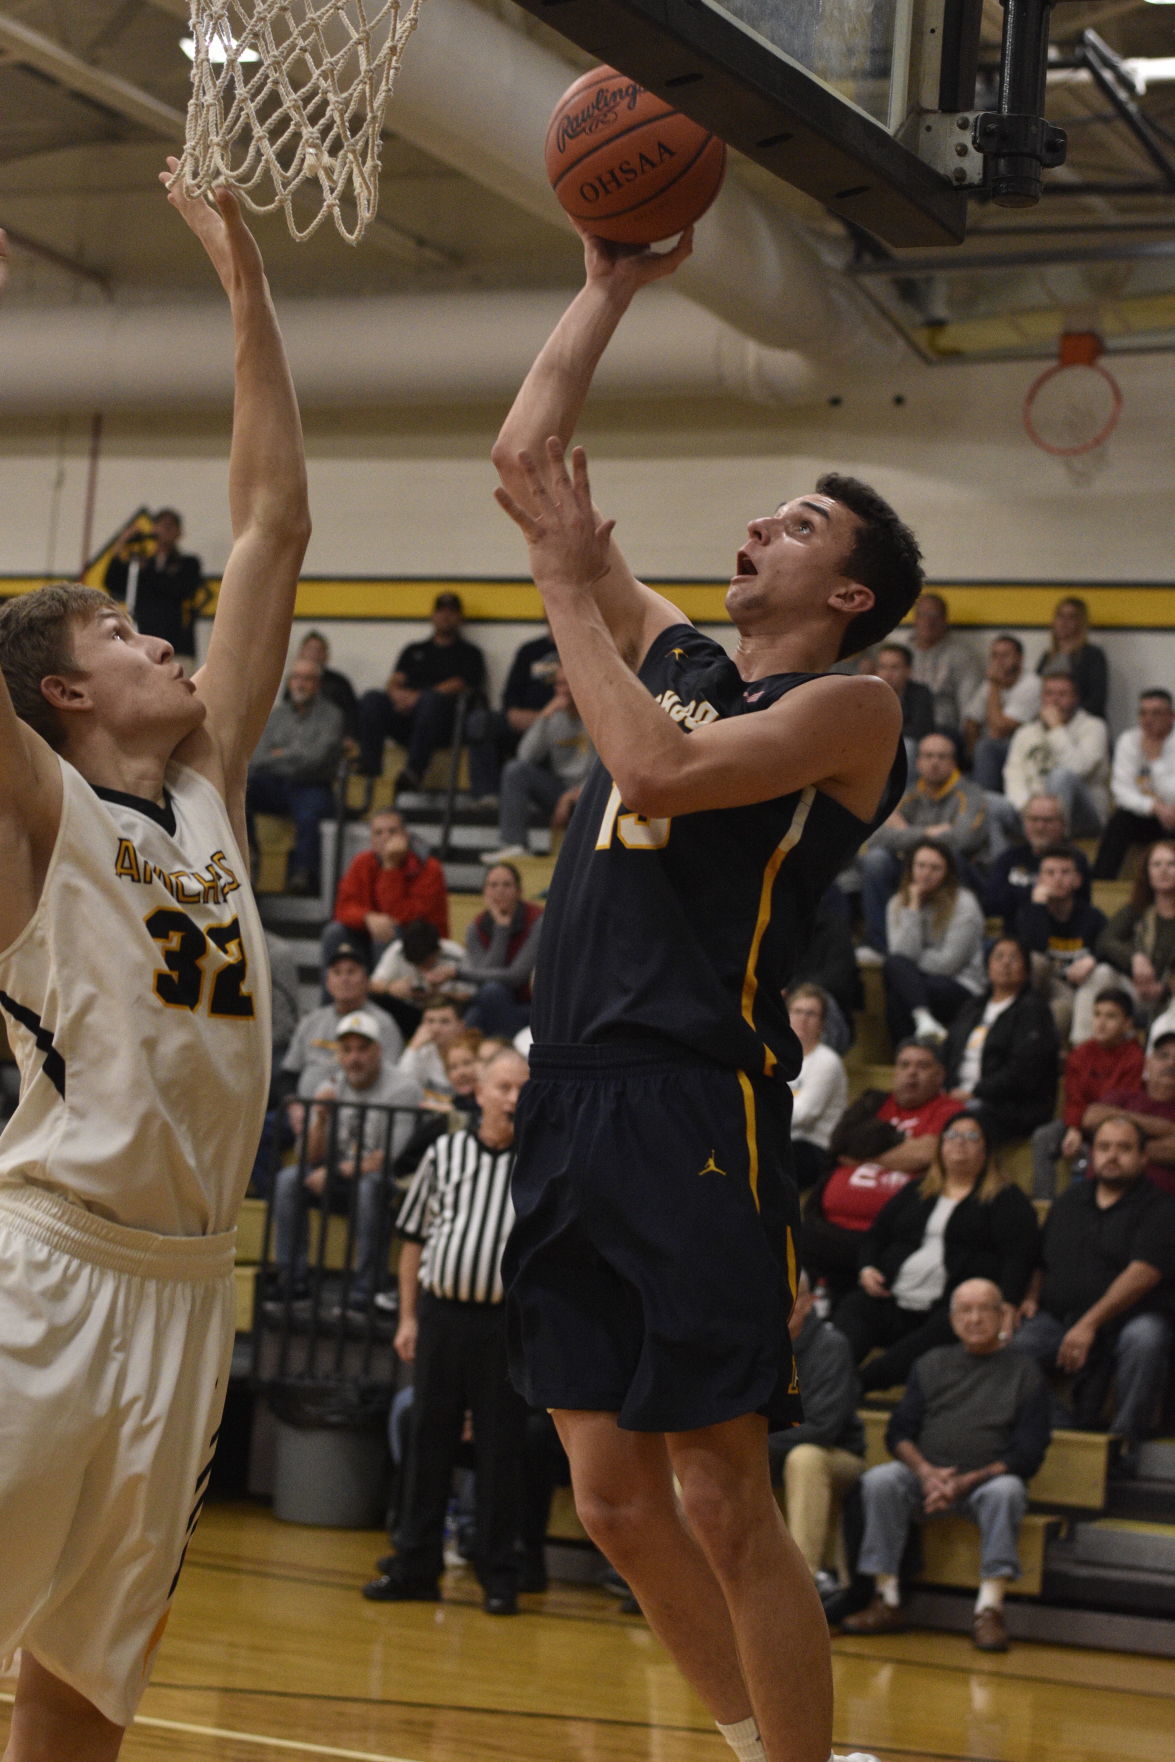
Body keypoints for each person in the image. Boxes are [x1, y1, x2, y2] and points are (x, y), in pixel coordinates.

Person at [491, 222, 922, 1762]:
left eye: (796, 522)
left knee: (718, 1490)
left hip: (691, 1100)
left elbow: (653, 772)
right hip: (565, 1093)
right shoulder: (678, 655)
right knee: (611, 1498)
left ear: (849, 591)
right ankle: (754, 1748)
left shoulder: (853, 706)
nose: (756, 525)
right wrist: (605, 286)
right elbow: (525, 458)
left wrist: (565, 582)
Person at [0, 173, 310, 1758]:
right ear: (61, 692)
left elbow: (270, 524)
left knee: (86, 1680)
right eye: (125, 634)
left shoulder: (206, 790)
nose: (165, 638)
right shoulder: (33, 808)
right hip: (46, 1273)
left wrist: (243, 274)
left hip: (190, 1294)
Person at [363, 1048, 532, 1615]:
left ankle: (499, 1575)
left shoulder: (539, 1165)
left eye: (522, 1089)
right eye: (503, 1087)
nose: (513, 1098)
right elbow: (413, 1240)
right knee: (426, 1442)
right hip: (442, 1317)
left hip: (504, 1328)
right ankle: (415, 1566)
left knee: (501, 1452)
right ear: (478, 1092)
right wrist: (408, 1317)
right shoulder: (445, 1152)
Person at [840, 1278, 1050, 1652]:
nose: (974, 1319)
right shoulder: (930, 1363)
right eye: (965, 1311)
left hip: (985, 1483)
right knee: (880, 1480)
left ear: (1003, 1315)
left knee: (1008, 1491)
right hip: (927, 1478)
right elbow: (898, 1432)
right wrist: (926, 1473)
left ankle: (989, 1610)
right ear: (952, 1320)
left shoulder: (1026, 1372)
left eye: (984, 1309)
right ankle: (886, 1598)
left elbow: (1028, 1452)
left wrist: (966, 1481)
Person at [1011, 1116, 1175, 1472]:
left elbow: (1142, 1274)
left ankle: (1123, 1446)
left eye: (1124, 1148)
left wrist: (1089, 1324)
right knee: (1013, 1350)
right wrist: (1031, 1296)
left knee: (1146, 1339)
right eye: (1104, 1147)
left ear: (1143, 1157)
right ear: (1092, 1154)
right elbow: (1040, 1259)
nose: (1112, 1156)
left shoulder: (1162, 1208)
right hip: (1060, 1317)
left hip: (1131, 1317)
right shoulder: (1070, 1200)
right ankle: (1066, 1427)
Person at [832, 1117, 1039, 1394]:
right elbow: (876, 1235)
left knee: (939, 1334)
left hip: (948, 1309)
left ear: (987, 1149)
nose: (960, 1143)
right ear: (941, 1146)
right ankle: (826, 1382)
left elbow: (1019, 1257)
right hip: (890, 1296)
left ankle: (851, 1390)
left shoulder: (1007, 1199)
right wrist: (867, 1267)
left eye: (971, 1137)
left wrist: (1009, 1303)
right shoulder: (917, 1189)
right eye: (952, 1135)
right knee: (853, 1311)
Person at [269, 1011, 423, 1309]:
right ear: (338, 1054)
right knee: (288, 1180)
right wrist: (320, 1119)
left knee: (370, 1186)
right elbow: (307, 1156)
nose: (354, 1058)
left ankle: (367, 1290)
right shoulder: (330, 1086)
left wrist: (333, 1171)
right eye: (347, 1050)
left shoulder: (403, 1088)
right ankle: (293, 1281)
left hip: (388, 1186)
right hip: (340, 1180)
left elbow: (389, 1158)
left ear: (379, 1051)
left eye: (363, 1049)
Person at [800, 1040, 964, 1304]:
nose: (912, 1073)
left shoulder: (949, 1111)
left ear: (940, 1075)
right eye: (904, 1065)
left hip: (887, 1235)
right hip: (828, 1225)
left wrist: (864, 1157)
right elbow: (840, 1144)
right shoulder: (874, 1103)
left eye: (923, 1066)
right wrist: (904, 1153)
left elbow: (929, 1152)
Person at [768, 1273, 865, 1594]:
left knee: (805, 1457)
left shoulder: (832, 1346)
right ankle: (682, 1574)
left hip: (837, 1455)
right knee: (699, 1459)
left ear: (809, 1302)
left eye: (790, 1298)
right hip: (770, 1452)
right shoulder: (755, 1346)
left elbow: (821, 1429)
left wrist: (752, 1443)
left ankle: (802, 1580)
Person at [856, 732, 988, 955]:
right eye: (928, 756)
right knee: (875, 860)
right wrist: (927, 832)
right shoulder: (908, 795)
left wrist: (905, 831)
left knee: (950, 857)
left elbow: (964, 839)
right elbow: (876, 837)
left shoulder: (971, 794)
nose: (934, 762)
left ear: (953, 763)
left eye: (941, 756)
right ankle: (880, 944)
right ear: (918, 763)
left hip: (959, 868)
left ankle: (946, 943)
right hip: (914, 866)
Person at [356, 590, 486, 794]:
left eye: (451, 612)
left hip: (444, 724)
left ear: (460, 618)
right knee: (372, 698)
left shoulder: (470, 653)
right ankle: (370, 764)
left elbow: (461, 683)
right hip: (408, 718)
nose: (445, 616)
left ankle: (413, 772)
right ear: (432, 616)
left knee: (431, 700)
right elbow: (396, 679)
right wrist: (395, 694)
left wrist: (419, 698)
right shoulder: (414, 650)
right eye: (441, 611)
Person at [943, 936, 1060, 1145]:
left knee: (958, 1123)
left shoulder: (1033, 1010)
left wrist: (974, 1092)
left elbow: (1024, 1071)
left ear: (1026, 970)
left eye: (1013, 958)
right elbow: (947, 1051)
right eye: (999, 957)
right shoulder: (972, 1007)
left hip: (1008, 1105)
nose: (1006, 963)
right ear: (988, 967)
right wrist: (948, 1089)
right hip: (960, 1095)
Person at [1030, 987, 1144, 1198]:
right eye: (1097, 1014)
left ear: (1127, 1023)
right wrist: (1074, 1128)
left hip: (1115, 1125)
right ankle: (1043, 1203)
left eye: (1111, 1016)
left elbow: (1125, 1102)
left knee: (1095, 1148)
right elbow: (1074, 1097)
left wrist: (1089, 1127)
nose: (1101, 1023)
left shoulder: (1135, 1057)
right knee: (1043, 1137)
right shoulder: (1081, 1053)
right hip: (1080, 1121)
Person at [246, 652, 344, 894]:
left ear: (317, 684)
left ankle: (302, 875)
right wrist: (294, 754)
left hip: (313, 784)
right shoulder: (276, 715)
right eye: (296, 677)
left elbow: (316, 759)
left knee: (312, 811)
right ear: (290, 681)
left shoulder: (332, 715)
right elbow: (257, 758)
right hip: (276, 786)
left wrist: (280, 754)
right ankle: (248, 858)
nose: (300, 683)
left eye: (307, 679)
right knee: (241, 788)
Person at [481, 666, 595, 863]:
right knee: (515, 770)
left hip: (593, 793)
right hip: (561, 790)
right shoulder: (554, 716)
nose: (562, 690)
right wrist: (543, 716)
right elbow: (524, 756)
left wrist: (573, 795)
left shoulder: (597, 715)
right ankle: (515, 844)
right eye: (559, 684)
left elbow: (607, 769)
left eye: (567, 684)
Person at [881, 840, 986, 1045]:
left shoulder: (964, 903)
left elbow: (948, 963)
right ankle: (920, 1030)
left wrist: (910, 969)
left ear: (947, 873)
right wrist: (913, 907)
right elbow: (900, 956)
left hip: (961, 984)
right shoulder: (897, 903)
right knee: (894, 974)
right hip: (920, 983)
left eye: (935, 868)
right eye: (921, 866)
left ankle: (921, 1025)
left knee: (901, 989)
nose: (926, 874)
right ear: (910, 868)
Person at [1013, 842, 1115, 1045]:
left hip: (1075, 989)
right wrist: (1039, 906)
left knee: (1060, 1012)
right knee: (1035, 961)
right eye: (1050, 873)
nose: (1058, 878)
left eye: (1065, 872)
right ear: (1039, 880)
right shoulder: (1028, 914)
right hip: (1037, 988)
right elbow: (1035, 948)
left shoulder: (1093, 917)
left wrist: (1093, 959)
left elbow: (1109, 948)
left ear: (1077, 880)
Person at [280, 940, 404, 1106]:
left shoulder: (384, 1024)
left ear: (366, 980)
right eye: (337, 973)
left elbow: (390, 1079)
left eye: (351, 972)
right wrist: (294, 1107)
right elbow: (289, 1074)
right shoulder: (312, 1020)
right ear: (328, 982)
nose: (344, 979)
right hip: (305, 1110)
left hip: (358, 1110)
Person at [325, 806, 450, 971]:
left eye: (392, 831)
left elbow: (400, 915)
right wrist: (367, 917)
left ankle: (382, 988)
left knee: (385, 931)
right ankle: (335, 988)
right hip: (372, 933)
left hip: (419, 943)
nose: (385, 837)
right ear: (371, 839)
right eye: (378, 833)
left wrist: (391, 866)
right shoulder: (362, 862)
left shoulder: (429, 868)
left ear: (406, 835)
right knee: (335, 932)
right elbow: (343, 909)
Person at [1003, 672, 1110, 838]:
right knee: (991, 804)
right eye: (1049, 693)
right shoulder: (1025, 732)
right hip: (1031, 810)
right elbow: (1013, 774)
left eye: (1062, 694)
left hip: (1083, 815)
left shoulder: (1094, 727)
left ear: (1076, 698)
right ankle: (1006, 855)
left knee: (1061, 776)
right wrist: (1027, 808)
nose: (1054, 700)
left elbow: (1077, 769)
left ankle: (1054, 845)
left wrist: (1056, 728)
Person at [103, 506, 209, 667]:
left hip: (178, 646)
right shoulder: (141, 565)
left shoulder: (188, 563)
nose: (164, 530)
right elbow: (112, 582)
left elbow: (179, 589)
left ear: (179, 532)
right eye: (160, 525)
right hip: (144, 643)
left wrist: (148, 570)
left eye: (170, 526)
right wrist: (121, 543)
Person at [466, 622, 560, 800]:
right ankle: (487, 795)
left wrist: (543, 717)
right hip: (524, 719)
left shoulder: (583, 649)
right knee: (480, 721)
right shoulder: (530, 650)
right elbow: (511, 692)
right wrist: (512, 711)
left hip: (560, 719)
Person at [1081, 1030, 1175, 1201]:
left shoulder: (1118, 1107)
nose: (1171, 1063)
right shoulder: (1123, 1097)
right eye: (1163, 1056)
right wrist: (1166, 1129)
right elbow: (1091, 1117)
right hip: (1096, 1203)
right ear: (1147, 1063)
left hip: (1160, 1208)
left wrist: (1113, 1141)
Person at [1093, 689, 1175, 880]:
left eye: (1156, 713)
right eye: (1143, 713)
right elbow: (1121, 791)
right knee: (1120, 820)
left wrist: (1155, 760)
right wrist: (1153, 807)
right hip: (1149, 815)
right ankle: (1100, 882)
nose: (1148, 719)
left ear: (1171, 716)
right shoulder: (1129, 740)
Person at [984, 792, 1091, 932]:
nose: (1040, 827)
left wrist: (1018, 894)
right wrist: (1036, 893)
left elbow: (1080, 904)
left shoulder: (1075, 859)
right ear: (1024, 822)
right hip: (1016, 936)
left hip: (1062, 936)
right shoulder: (1009, 858)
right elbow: (991, 903)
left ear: (1063, 824)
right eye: (1034, 819)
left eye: (1048, 820)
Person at [1097, 839, 1175, 1030]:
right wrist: (1134, 958)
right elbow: (1106, 940)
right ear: (1147, 872)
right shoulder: (1137, 909)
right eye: (1156, 864)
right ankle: (1086, 1043)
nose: (1163, 870)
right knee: (1101, 974)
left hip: (1171, 994)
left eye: (1171, 864)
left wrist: (1165, 988)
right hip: (1137, 991)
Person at [458, 861, 543, 1037]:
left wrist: (458, 973)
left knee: (489, 996)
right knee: (470, 1016)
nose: (500, 891)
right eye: (493, 885)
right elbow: (484, 977)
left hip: (532, 1005)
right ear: (485, 892)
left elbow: (517, 976)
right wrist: (501, 929)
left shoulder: (538, 921)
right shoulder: (476, 927)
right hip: (495, 1000)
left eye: (506, 885)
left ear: (519, 891)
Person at [785, 986, 848, 1192]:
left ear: (822, 1023)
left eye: (811, 1014)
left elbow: (804, 1114)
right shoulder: (778, 1057)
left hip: (815, 1148)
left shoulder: (826, 1060)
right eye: (797, 1011)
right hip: (785, 1139)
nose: (803, 1019)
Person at [962, 633, 1041, 792]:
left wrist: (994, 686)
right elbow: (971, 721)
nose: (998, 661)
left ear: (1020, 658)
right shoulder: (990, 683)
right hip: (991, 747)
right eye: (995, 655)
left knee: (986, 746)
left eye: (1005, 655)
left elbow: (999, 729)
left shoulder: (1032, 684)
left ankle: (985, 800)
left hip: (1022, 748)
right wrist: (973, 756)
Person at [908, 591, 981, 735]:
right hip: (905, 726)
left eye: (934, 616)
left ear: (945, 620)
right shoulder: (902, 652)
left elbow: (969, 707)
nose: (928, 622)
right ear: (915, 619)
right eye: (923, 615)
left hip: (942, 728)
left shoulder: (961, 656)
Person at [1033, 594, 1109, 719]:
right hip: (1048, 718)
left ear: (1080, 622)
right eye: (1060, 616)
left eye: (1071, 617)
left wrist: (1067, 717)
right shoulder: (1048, 656)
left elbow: (1096, 700)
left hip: (1082, 721)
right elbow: (1036, 690)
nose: (1064, 622)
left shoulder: (1092, 655)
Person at [870, 642, 934, 764]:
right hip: (875, 742)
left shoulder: (921, 693)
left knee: (906, 746)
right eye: (883, 667)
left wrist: (886, 736)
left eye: (894, 668)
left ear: (908, 670)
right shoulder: (868, 694)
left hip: (907, 743)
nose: (888, 674)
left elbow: (920, 728)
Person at [292, 628, 358, 738]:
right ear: (301, 652)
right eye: (310, 649)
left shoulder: (339, 682)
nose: (313, 654)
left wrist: (349, 737)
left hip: (331, 735)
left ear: (326, 655)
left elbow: (352, 714)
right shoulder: (292, 681)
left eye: (318, 650)